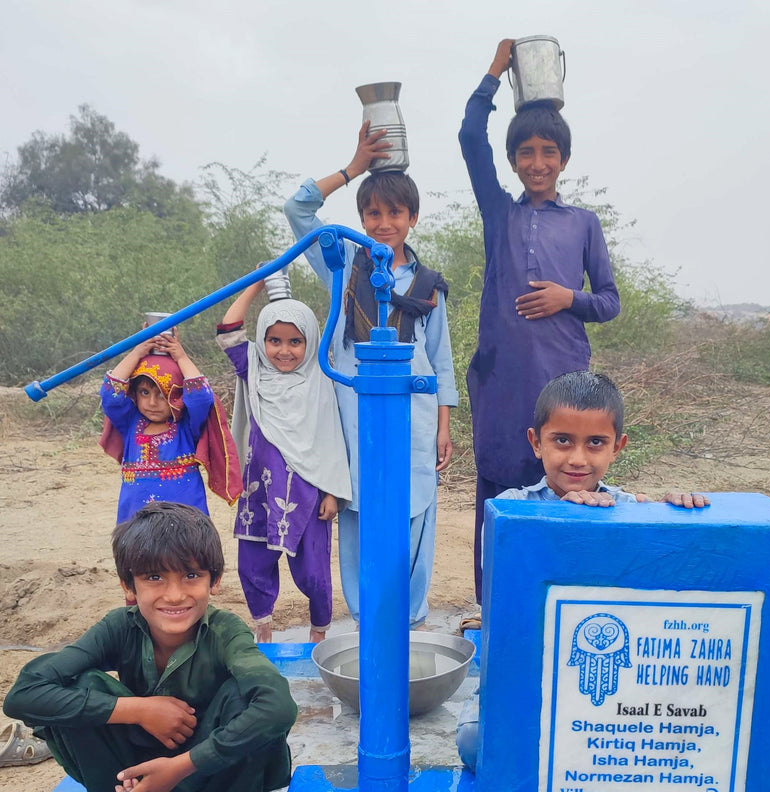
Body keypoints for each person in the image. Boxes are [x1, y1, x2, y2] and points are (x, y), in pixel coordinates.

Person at [3, 502, 297, 792]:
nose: (174, 595)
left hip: (214, 770)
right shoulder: (118, 627)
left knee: (246, 697)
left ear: (214, 580)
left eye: (191, 576)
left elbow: (278, 705)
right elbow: (24, 694)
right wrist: (137, 710)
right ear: (129, 586)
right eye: (154, 578)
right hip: (136, 774)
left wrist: (181, 765)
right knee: (80, 686)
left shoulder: (226, 631)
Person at [456, 371, 709, 770]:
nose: (578, 458)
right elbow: (507, 588)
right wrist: (567, 517)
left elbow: (668, 572)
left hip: (612, 668)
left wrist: (676, 512)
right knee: (475, 742)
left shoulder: (632, 508)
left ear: (618, 447)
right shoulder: (509, 509)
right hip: (525, 666)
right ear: (536, 443)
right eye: (562, 440)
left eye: (595, 443)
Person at [459, 39, 622, 605]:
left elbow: (608, 301)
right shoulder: (499, 213)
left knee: (569, 489)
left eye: (548, 151)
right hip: (501, 382)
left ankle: (565, 599)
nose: (537, 163)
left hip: (562, 383)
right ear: (512, 161)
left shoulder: (582, 223)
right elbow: (468, 138)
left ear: (564, 160)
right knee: (499, 497)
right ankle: (495, 607)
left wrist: (565, 297)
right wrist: (494, 74)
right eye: (525, 152)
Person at [284, 127, 459, 629]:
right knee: (357, 506)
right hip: (353, 412)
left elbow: (439, 358)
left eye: (394, 214)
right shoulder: (341, 264)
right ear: (361, 218)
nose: (383, 224)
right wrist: (354, 167)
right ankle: (366, 621)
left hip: (415, 414)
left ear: (413, 218)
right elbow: (296, 211)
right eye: (373, 214)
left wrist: (444, 423)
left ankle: (413, 619)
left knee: (415, 507)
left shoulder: (428, 286)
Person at [216, 284, 351, 644]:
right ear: (262, 341)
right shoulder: (255, 370)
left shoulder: (321, 382)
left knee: (313, 573)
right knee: (253, 565)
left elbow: (331, 440)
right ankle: (263, 629)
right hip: (259, 491)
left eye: (295, 342)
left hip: (307, 494)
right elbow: (227, 331)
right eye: (274, 340)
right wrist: (256, 284)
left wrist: (332, 493)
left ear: (310, 343)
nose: (284, 351)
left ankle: (319, 633)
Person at [100, 326, 241, 524]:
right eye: (144, 392)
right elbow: (110, 394)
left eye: (162, 395)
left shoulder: (186, 425)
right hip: (136, 523)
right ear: (135, 393)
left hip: (184, 524)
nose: (152, 403)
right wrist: (137, 351)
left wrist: (181, 358)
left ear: (177, 396)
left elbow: (201, 397)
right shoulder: (130, 422)